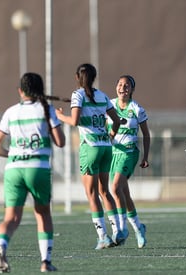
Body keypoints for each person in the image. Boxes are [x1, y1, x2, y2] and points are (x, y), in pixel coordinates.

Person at [0, 72, 65, 273]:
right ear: (41, 90)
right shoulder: (46, 110)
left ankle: (1, 244)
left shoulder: (11, 112)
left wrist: (11, 154)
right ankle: (45, 262)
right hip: (37, 168)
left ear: (20, 91)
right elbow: (60, 142)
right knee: (43, 214)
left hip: (14, 168)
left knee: (11, 218)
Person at [56, 63, 124, 249]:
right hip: (105, 147)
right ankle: (118, 230)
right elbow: (116, 121)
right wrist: (110, 136)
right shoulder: (101, 95)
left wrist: (60, 116)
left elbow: (75, 121)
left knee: (92, 193)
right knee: (105, 191)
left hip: (90, 147)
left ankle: (103, 237)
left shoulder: (77, 95)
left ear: (77, 77)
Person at [106, 75, 150, 248]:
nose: (122, 87)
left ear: (132, 90)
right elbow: (102, 126)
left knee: (115, 187)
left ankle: (122, 230)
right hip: (112, 154)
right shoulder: (108, 105)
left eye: (126, 85)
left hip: (129, 153)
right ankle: (139, 228)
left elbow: (146, 134)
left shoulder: (137, 109)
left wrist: (146, 156)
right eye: (120, 84)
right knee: (124, 194)